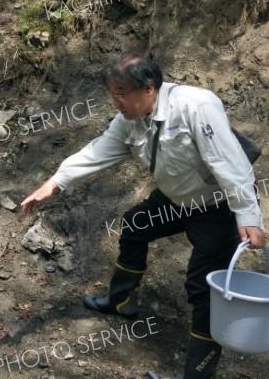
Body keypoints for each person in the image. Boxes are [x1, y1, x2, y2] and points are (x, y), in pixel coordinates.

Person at [21, 54, 266, 379]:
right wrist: (55, 182)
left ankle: (196, 375)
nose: (116, 101)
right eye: (113, 93)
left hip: (215, 207)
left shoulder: (195, 106)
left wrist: (248, 215)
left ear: (149, 89)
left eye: (122, 92)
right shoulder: (130, 120)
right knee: (135, 226)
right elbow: (98, 150)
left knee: (203, 288)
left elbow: (229, 163)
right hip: (176, 200)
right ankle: (122, 301)